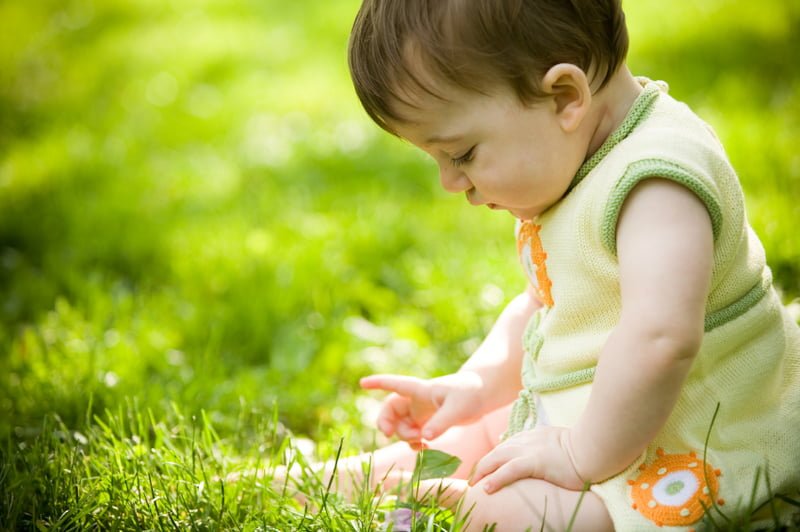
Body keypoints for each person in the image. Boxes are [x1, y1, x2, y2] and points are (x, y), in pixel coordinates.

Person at [292, 1, 800, 530]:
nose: (449, 182)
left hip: (700, 431)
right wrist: (477, 383)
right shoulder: (577, 156)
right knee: (485, 435)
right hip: (600, 416)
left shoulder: (658, 185)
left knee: (577, 513)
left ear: (564, 97)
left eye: (461, 153)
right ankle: (394, 475)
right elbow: (545, 304)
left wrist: (582, 455)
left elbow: (661, 338)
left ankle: (480, 513)